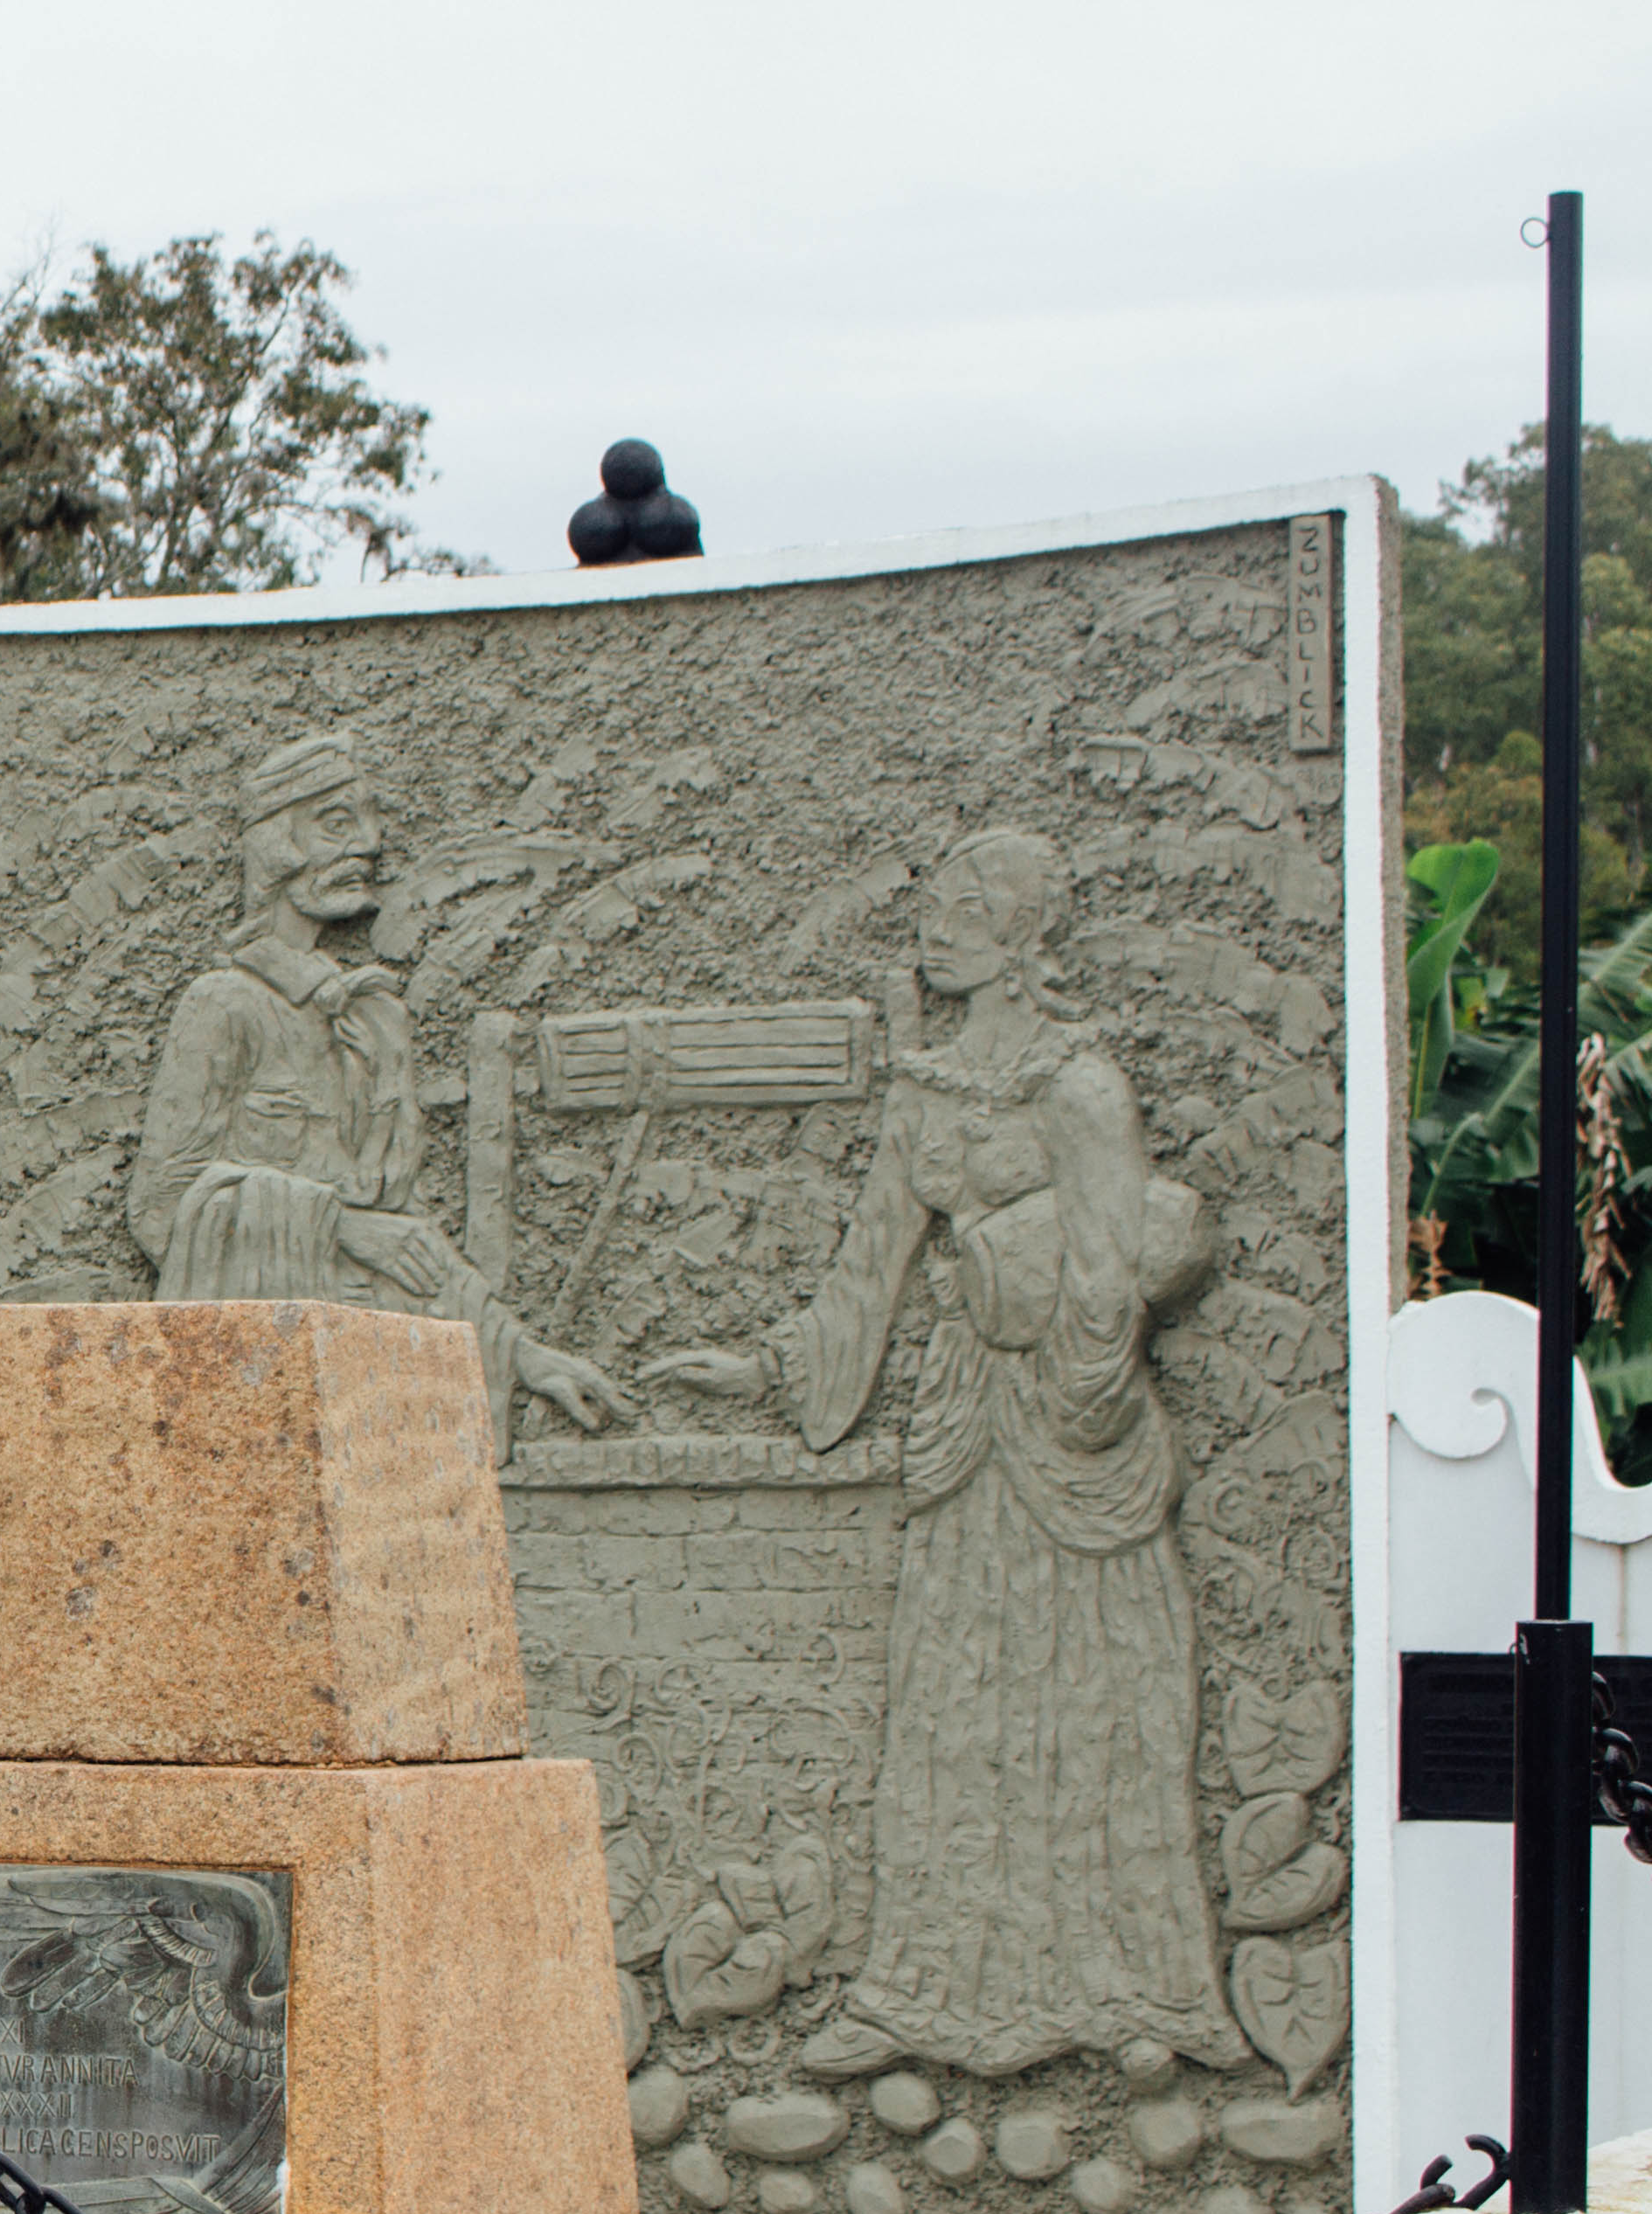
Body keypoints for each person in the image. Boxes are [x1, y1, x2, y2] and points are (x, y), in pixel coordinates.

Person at [647, 830, 1233, 2079]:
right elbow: (871, 1266)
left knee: (1085, 1686)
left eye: (976, 908)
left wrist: (1081, 1403)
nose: (944, 923)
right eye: (939, 903)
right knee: (953, 1683)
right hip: (968, 1405)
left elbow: (1110, 1266)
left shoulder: (1079, 1086)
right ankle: (924, 1988)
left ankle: (1124, 1992)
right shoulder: (923, 1089)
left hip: (1074, 1423)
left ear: (1029, 934)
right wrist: (767, 1371)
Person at [130, 734, 626, 1444]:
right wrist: (341, 1228)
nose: (369, 843)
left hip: (373, 1389)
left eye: (369, 819)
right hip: (265, 1391)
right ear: (275, 845)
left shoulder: (373, 1018)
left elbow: (408, 1235)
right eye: (337, 822)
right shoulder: (223, 1006)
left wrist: (524, 1355)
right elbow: (160, 1210)